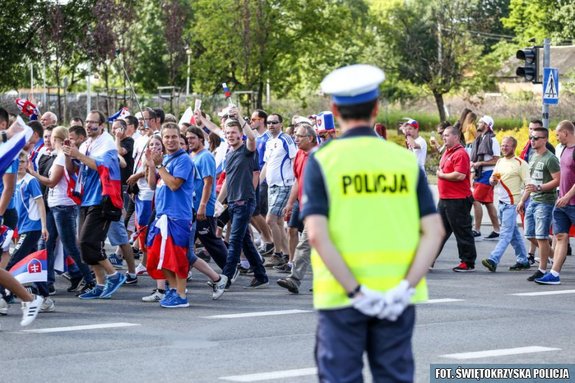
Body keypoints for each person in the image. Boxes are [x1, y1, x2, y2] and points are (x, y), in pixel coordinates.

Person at [303, 64, 443, 382]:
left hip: (341, 297)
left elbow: (316, 236)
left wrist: (357, 292)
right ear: (376, 108)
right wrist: (404, 288)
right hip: (396, 298)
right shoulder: (404, 161)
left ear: (335, 109)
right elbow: (434, 231)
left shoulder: (323, 160)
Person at [63, 110, 127, 299]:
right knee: (83, 246)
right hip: (86, 198)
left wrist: (78, 155)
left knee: (88, 242)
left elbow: (103, 166)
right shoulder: (87, 144)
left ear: (102, 125)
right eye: (87, 122)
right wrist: (69, 153)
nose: (89, 125)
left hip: (102, 199)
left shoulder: (106, 142)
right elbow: (72, 168)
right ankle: (100, 284)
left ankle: (114, 275)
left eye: (93, 122)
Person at [27, 127, 95, 294]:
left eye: (50, 137)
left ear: (57, 139)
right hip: (55, 205)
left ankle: (90, 279)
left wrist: (33, 173)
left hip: (63, 206)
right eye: (45, 137)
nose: (47, 140)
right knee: (45, 243)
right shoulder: (56, 156)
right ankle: (46, 283)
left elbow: (51, 182)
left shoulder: (61, 157)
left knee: (70, 245)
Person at [218, 115, 269, 289]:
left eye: (234, 132)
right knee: (245, 241)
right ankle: (261, 275)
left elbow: (252, 137)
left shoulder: (247, 150)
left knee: (234, 241)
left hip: (245, 202)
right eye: (228, 133)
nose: (230, 135)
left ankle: (225, 278)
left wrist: (239, 116)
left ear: (241, 134)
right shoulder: (229, 152)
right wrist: (218, 202)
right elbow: (227, 181)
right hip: (232, 203)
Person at [277, 122, 317, 293]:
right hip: (305, 206)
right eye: (295, 135)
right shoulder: (300, 154)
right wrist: (290, 203)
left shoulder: (322, 156)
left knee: (306, 244)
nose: (296, 138)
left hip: (321, 209)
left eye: (300, 136)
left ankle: (295, 279)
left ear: (311, 138)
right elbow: (297, 181)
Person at [517, 127, 560, 282]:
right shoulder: (533, 157)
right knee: (529, 234)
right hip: (533, 200)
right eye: (531, 137)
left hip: (545, 202)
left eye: (536, 138)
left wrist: (540, 188)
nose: (532, 141)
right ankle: (556, 256)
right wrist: (522, 200)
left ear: (544, 140)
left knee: (541, 237)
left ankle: (542, 269)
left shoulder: (550, 158)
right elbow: (531, 182)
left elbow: (557, 180)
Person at [481, 136, 530, 272]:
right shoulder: (500, 161)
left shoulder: (521, 164)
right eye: (502, 145)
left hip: (512, 204)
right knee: (513, 233)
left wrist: (522, 201)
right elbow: (495, 177)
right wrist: (492, 180)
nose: (503, 148)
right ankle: (523, 260)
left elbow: (529, 185)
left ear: (514, 147)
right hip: (501, 203)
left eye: (507, 146)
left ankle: (493, 259)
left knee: (505, 234)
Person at [534, 121, 575, 285]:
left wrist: (568, 196)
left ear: (566, 132)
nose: (556, 137)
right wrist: (561, 196)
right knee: (560, 236)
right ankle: (554, 274)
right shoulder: (563, 149)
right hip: (562, 202)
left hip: (571, 202)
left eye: (558, 134)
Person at [435, 126, 478, 271]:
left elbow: (460, 175)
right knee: (438, 231)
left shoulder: (460, 153)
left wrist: (442, 176)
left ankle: (468, 262)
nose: (444, 138)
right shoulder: (447, 152)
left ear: (456, 137)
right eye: (443, 135)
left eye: (447, 135)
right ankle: (428, 259)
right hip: (445, 198)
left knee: (462, 231)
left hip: (458, 200)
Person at [261, 113, 297, 267]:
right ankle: (286, 255)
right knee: (279, 222)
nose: (271, 125)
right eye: (268, 122)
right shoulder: (269, 141)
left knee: (270, 220)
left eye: (274, 122)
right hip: (272, 185)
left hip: (285, 184)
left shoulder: (286, 139)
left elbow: (294, 159)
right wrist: (257, 183)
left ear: (281, 124)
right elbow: (267, 164)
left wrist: (296, 182)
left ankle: (277, 253)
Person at [470, 115, 501, 240]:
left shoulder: (493, 140)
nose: (478, 123)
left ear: (487, 125)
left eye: (481, 122)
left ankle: (476, 230)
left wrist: (481, 163)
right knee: (488, 203)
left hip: (488, 174)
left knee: (475, 200)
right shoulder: (480, 139)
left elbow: (497, 160)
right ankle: (497, 230)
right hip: (480, 173)